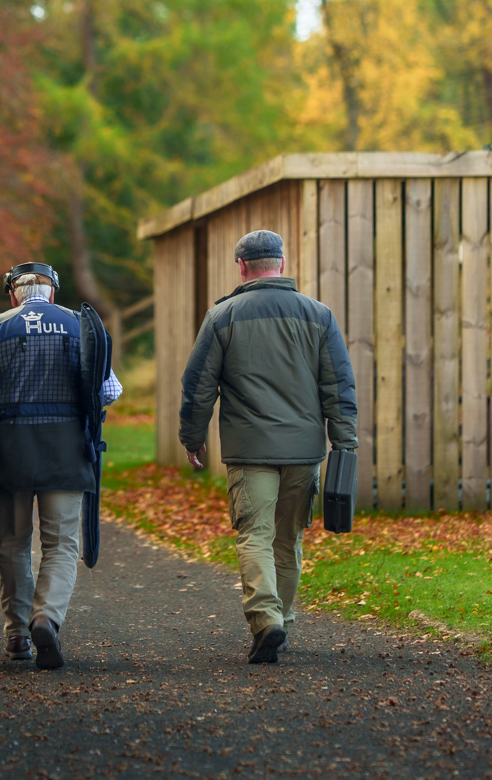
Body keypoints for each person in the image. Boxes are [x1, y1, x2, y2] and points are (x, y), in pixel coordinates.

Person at [179, 231, 357, 664]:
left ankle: (266, 620)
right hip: (304, 451)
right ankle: (283, 622)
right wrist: (344, 442)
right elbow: (338, 386)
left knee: (255, 535)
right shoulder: (319, 315)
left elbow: (198, 386)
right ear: (282, 263)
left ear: (242, 266)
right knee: (287, 540)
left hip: (250, 450)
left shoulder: (222, 316)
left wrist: (192, 436)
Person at [0, 264, 122, 670]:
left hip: (11, 450)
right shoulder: (79, 325)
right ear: (53, 292)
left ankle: (17, 636)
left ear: (13, 294)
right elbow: (109, 390)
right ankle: (45, 617)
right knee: (61, 544)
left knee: (13, 542)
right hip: (66, 450)